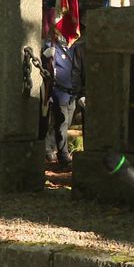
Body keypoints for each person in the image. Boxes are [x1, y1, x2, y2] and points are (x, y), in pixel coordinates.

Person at [43, 30, 78, 168]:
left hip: (71, 93)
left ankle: (52, 146)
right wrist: (46, 53)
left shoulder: (68, 49)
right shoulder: (51, 46)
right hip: (60, 92)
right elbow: (47, 59)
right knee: (62, 124)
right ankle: (63, 156)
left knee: (66, 123)